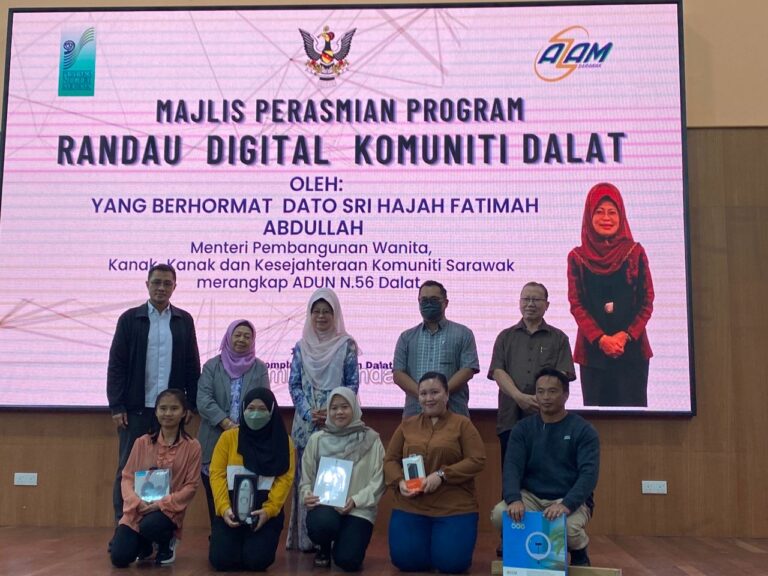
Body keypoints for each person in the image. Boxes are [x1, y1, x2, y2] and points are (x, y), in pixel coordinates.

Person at [107, 263, 200, 525]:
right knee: (127, 469)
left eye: (167, 283)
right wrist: (117, 405)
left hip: (171, 412)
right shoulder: (129, 319)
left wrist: (190, 404)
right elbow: (117, 365)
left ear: (174, 287)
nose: (161, 288)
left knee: (170, 472)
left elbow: (192, 365)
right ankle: (125, 525)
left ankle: (160, 527)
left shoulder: (183, 321)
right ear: (147, 284)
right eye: (156, 282)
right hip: (136, 409)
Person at [491, 368, 600, 567]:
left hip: (566, 498)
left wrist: (566, 504)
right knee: (500, 514)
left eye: (552, 391)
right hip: (531, 496)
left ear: (566, 395)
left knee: (568, 530)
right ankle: (522, 552)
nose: (545, 397)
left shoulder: (583, 430)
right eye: (540, 392)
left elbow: (589, 475)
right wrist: (514, 499)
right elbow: (512, 468)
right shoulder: (522, 428)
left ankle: (579, 550)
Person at [384, 372, 486, 573]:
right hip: (411, 504)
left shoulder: (462, 424)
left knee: (452, 565)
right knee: (405, 562)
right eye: (423, 394)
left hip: (453, 506)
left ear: (446, 395)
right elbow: (390, 460)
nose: (428, 398)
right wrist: (400, 482)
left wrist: (442, 475)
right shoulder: (407, 425)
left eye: (434, 392)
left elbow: (477, 460)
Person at [567, 182, 654, 406]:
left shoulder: (635, 252)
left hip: (632, 352)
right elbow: (576, 304)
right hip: (592, 355)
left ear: (621, 215)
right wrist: (602, 339)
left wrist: (624, 336)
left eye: (612, 212)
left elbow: (647, 301)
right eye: (599, 211)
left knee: (634, 419)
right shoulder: (577, 257)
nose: (606, 218)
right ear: (589, 216)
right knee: (598, 419)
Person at [286, 288, 360, 551]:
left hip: (337, 423)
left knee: (335, 479)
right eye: (316, 311)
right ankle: (306, 539)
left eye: (326, 311)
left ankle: (329, 541)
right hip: (306, 426)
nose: (321, 316)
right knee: (306, 480)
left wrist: (332, 412)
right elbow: (294, 384)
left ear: (335, 314)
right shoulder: (301, 346)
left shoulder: (346, 345)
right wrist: (309, 412)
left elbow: (352, 384)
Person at [110, 388, 202, 567]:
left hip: (168, 510)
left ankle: (166, 544)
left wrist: (161, 504)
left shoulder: (193, 446)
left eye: (174, 409)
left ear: (184, 413)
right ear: (156, 411)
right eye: (163, 408)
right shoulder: (141, 442)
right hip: (138, 508)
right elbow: (127, 478)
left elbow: (191, 486)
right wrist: (136, 502)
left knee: (150, 525)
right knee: (119, 557)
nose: (168, 413)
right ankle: (146, 546)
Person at [489, 282, 576, 470]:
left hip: (548, 420)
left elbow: (563, 375)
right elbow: (497, 371)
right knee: (512, 475)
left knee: (547, 474)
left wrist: (542, 398)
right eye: (526, 299)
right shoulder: (505, 336)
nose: (530, 304)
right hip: (510, 418)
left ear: (547, 305)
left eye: (536, 299)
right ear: (519, 302)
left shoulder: (559, 338)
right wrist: (519, 397)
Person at [208, 388, 295, 571]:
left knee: (256, 562)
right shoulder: (229, 438)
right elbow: (217, 475)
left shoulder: (284, 442)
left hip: (264, 514)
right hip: (230, 511)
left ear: (272, 411)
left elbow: (285, 480)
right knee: (222, 561)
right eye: (251, 408)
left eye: (262, 409)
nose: (255, 414)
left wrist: (268, 511)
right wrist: (224, 508)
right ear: (243, 410)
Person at [300, 387, 385, 571]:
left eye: (345, 407)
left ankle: (344, 543)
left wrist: (355, 500)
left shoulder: (371, 440)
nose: (339, 412)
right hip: (326, 507)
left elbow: (378, 481)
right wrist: (306, 494)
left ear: (354, 407)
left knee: (348, 561)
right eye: (334, 408)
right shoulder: (317, 440)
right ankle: (323, 547)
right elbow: (306, 479)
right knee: (322, 525)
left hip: (358, 509)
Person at [197, 319, 270, 526]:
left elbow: (265, 400)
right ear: (229, 337)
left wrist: (245, 427)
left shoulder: (259, 368)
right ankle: (218, 534)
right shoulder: (212, 366)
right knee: (216, 493)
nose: (241, 339)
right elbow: (203, 400)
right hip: (214, 438)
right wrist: (227, 424)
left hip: (250, 440)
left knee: (246, 494)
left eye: (247, 336)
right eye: (237, 335)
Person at [393, 280, 479, 418]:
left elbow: (468, 369)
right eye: (424, 300)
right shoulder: (406, 337)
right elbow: (398, 374)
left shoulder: (463, 333)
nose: (428, 304)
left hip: (453, 414)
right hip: (415, 415)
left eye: (434, 300)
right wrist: (425, 396)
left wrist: (442, 394)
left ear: (446, 303)